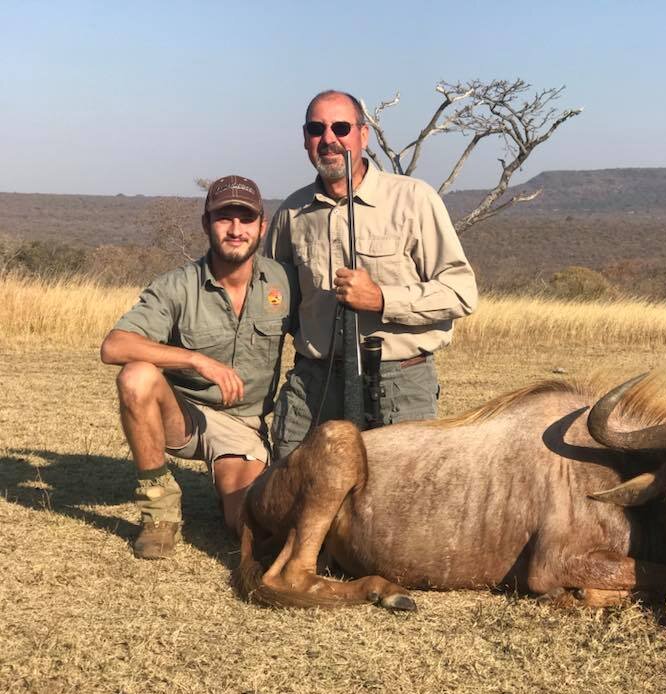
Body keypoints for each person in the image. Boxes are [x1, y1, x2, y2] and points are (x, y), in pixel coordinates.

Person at [265, 89, 477, 459]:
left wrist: (382, 299)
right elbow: (271, 303)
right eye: (317, 129)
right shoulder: (291, 213)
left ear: (363, 135)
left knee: (396, 510)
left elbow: (460, 293)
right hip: (314, 382)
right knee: (288, 505)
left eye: (341, 127)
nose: (328, 139)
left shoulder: (414, 200)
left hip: (399, 382)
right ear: (305, 139)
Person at [101, 175, 297, 559]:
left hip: (243, 427)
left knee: (248, 527)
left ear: (262, 225)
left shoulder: (285, 282)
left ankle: (239, 479)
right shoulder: (177, 285)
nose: (235, 230)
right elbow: (114, 345)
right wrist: (195, 359)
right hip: (184, 417)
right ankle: (159, 511)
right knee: (136, 375)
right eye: (224, 218)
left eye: (245, 219)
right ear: (207, 224)